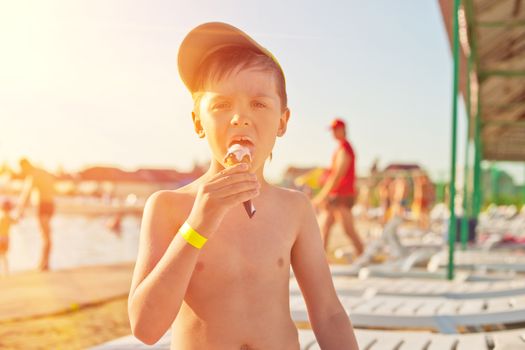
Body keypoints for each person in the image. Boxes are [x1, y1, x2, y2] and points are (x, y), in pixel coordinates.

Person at [128, 22, 358, 350]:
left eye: (259, 103)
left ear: (282, 121)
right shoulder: (169, 207)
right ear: (198, 122)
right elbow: (145, 327)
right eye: (221, 105)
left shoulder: (294, 209)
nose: (240, 117)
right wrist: (198, 225)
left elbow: (328, 313)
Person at [312, 118, 364, 257]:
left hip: (342, 195)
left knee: (347, 229)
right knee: (325, 227)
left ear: (342, 130)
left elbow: (338, 175)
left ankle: (363, 255)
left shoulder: (345, 148)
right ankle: (320, 261)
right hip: (338, 195)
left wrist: (322, 195)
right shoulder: (342, 148)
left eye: (335, 130)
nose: (333, 133)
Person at [15, 158, 57, 271]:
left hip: (43, 206)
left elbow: (26, 194)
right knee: (47, 235)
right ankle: (45, 262)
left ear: (24, 166)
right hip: (51, 205)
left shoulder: (33, 175)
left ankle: (44, 263)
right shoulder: (43, 172)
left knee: (45, 236)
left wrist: (20, 211)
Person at [0, 200, 17, 276]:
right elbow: (16, 222)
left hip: (1, 238)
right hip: (6, 238)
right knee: (4, 255)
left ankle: (4, 270)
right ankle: (6, 270)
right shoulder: (9, 218)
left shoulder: (2, 218)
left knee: (2, 254)